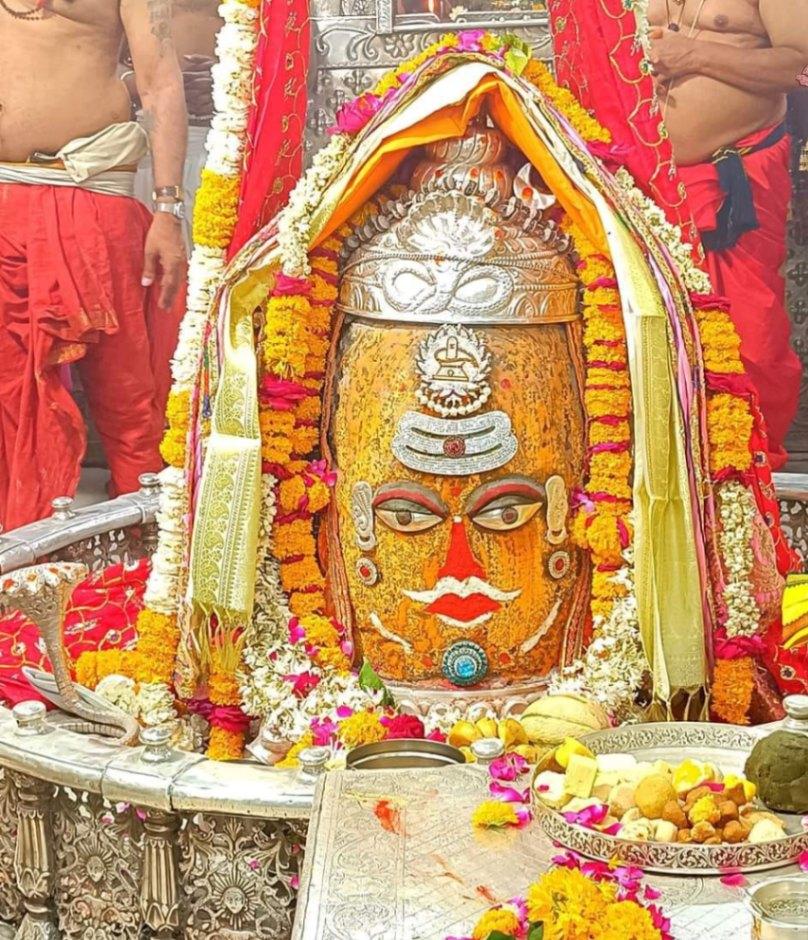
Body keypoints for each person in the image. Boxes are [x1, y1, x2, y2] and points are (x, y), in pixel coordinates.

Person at [0, 0, 188, 530]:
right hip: (4, 204)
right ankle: (21, 569)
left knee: (131, 397)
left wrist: (168, 211)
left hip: (90, 198)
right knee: (8, 400)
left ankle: (149, 558)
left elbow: (159, 83)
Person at [647, 0, 807, 469]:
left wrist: (693, 56)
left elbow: (798, 66)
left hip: (737, 176)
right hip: (642, 175)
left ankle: (752, 467)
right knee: (652, 326)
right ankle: (671, 466)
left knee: (750, 333)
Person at [127, 0, 222, 242]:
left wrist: (230, 81)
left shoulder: (259, 8)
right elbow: (99, 62)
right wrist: (159, 85)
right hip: (152, 148)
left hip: (230, 145)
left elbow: (292, 66)